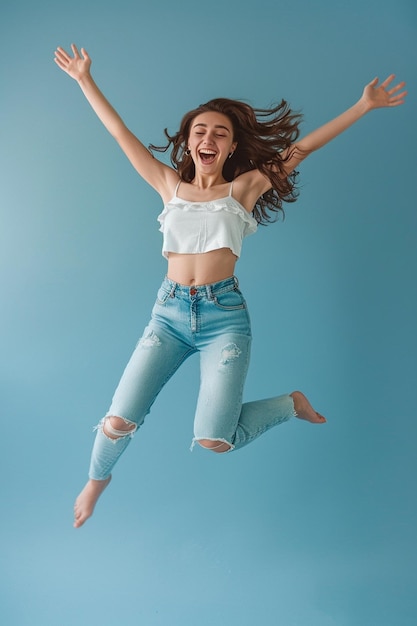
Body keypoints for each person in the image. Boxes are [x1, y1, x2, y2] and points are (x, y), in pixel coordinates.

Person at [54, 44, 406, 528]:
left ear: (231, 147)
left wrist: (363, 105)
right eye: (200, 130)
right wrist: (83, 79)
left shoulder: (244, 189)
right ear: (188, 141)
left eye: (220, 133)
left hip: (224, 319)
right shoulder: (167, 185)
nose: (209, 137)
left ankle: (290, 404)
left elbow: (301, 149)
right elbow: (118, 131)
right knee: (117, 422)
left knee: (214, 440)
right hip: (169, 316)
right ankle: (96, 481)